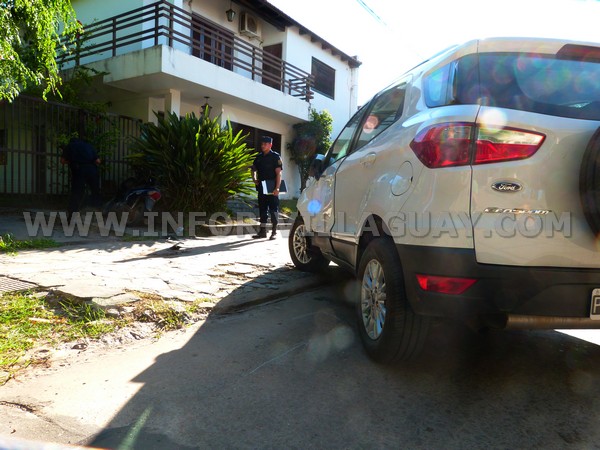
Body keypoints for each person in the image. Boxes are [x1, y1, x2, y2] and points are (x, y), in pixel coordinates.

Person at [60, 132, 101, 219]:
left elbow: (62, 161)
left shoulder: (70, 146)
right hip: (92, 170)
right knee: (95, 191)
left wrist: (71, 161)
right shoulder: (88, 146)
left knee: (76, 193)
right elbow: (98, 161)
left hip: (79, 170)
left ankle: (71, 216)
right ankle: (98, 212)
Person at [250, 135, 283, 240]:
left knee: (273, 210)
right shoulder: (259, 157)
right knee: (262, 210)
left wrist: (277, 188)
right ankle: (262, 232)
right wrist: (254, 179)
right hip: (261, 187)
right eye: (262, 144)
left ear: (270, 145)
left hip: (272, 186)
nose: (263, 146)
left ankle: (274, 232)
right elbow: (253, 169)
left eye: (265, 144)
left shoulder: (275, 157)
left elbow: (279, 173)